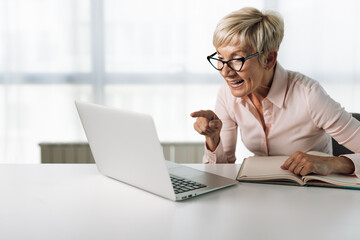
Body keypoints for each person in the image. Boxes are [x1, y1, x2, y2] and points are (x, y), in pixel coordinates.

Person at [191, 7, 360, 177]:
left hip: (313, 195)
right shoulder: (227, 95)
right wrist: (213, 138)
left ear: (269, 59)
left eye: (237, 59)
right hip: (261, 196)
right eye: (221, 58)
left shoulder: (309, 95)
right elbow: (221, 173)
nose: (225, 72)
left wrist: (334, 162)